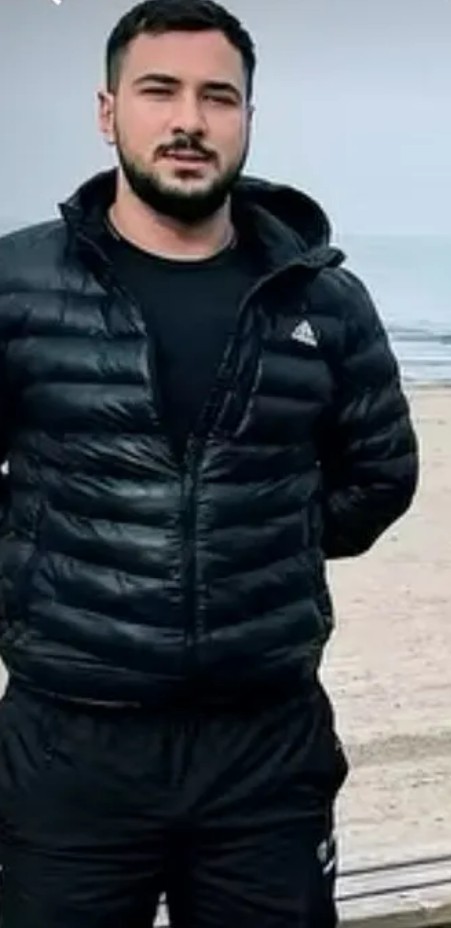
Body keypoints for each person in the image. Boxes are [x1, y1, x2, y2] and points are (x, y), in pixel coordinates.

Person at [0, 1, 418, 925]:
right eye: (160, 91)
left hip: (263, 744)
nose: (188, 120)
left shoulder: (323, 299)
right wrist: (48, 555)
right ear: (108, 111)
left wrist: (256, 535)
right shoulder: (16, 286)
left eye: (216, 97)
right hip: (71, 743)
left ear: (246, 119)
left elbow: (380, 475)